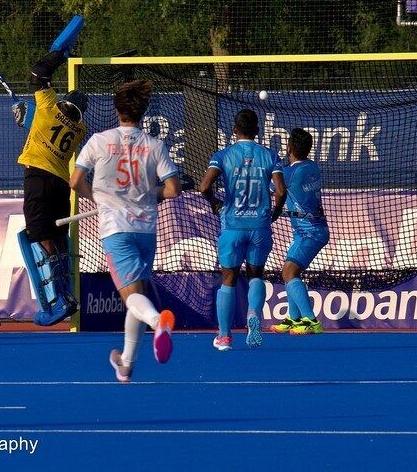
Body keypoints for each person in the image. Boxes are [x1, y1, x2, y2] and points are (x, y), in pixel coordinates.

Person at [70, 79, 184, 382]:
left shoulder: (98, 140)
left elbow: (74, 181)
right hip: (146, 228)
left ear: (116, 109)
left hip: (115, 229)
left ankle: (158, 320)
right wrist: (150, 195)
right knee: (137, 293)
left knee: (133, 297)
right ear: (142, 111)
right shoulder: (155, 145)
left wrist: (94, 197)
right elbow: (173, 189)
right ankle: (126, 364)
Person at [199, 109, 287, 351]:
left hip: (233, 225)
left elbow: (205, 185)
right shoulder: (270, 155)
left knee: (228, 277)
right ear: (257, 132)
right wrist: (275, 213)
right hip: (259, 226)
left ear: (234, 130)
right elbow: (280, 191)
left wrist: (216, 203)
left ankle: (225, 336)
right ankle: (254, 315)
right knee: (256, 274)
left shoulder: (223, 155)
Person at [16, 48, 89, 325]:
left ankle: (58, 297)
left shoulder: (48, 107)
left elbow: (38, 73)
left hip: (37, 178)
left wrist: (59, 53)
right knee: (58, 239)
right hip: (60, 184)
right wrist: (30, 118)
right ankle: (67, 294)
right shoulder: (80, 130)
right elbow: (46, 127)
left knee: (40, 236)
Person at [270, 129, 329, 335]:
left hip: (311, 232)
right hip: (306, 231)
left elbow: (272, 188)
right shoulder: (312, 167)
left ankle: (311, 321)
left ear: (290, 147)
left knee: (289, 272)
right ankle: (293, 318)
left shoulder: (289, 173)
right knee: (288, 271)